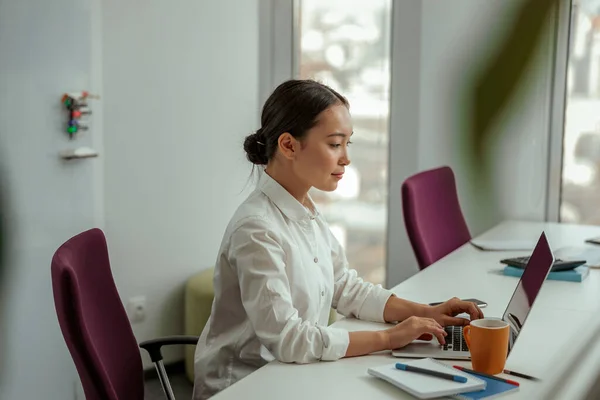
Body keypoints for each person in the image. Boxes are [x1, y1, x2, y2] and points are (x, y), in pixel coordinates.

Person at [192, 79, 483, 399]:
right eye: (334, 144)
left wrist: (426, 312)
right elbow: (289, 339)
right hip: (246, 385)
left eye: (348, 144)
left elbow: (346, 287)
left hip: (294, 372)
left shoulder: (305, 209)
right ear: (288, 145)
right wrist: (389, 339)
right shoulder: (256, 230)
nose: (345, 158)